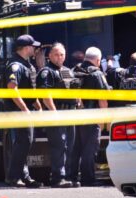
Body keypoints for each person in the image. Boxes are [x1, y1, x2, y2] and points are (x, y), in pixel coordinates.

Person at [36, 42, 78, 188]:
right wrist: (54, 113)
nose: (59, 57)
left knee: (70, 146)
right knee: (59, 146)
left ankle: (68, 176)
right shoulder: (46, 72)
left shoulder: (68, 71)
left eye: (62, 54)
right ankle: (58, 178)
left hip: (70, 114)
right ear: (49, 56)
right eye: (56, 54)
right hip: (56, 114)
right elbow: (45, 96)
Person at [5, 34, 43, 188]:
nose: (35, 49)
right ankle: (14, 177)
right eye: (33, 46)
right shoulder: (15, 65)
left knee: (26, 143)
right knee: (23, 142)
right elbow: (12, 89)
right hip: (18, 111)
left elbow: (30, 91)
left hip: (25, 110)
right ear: (27, 48)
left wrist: (38, 107)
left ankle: (24, 176)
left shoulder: (27, 65)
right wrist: (25, 109)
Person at [71, 46, 109, 186]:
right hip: (92, 116)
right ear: (98, 60)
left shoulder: (74, 70)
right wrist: (104, 120)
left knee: (75, 148)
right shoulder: (97, 74)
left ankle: (72, 177)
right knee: (90, 149)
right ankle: (88, 179)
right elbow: (102, 99)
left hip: (74, 116)